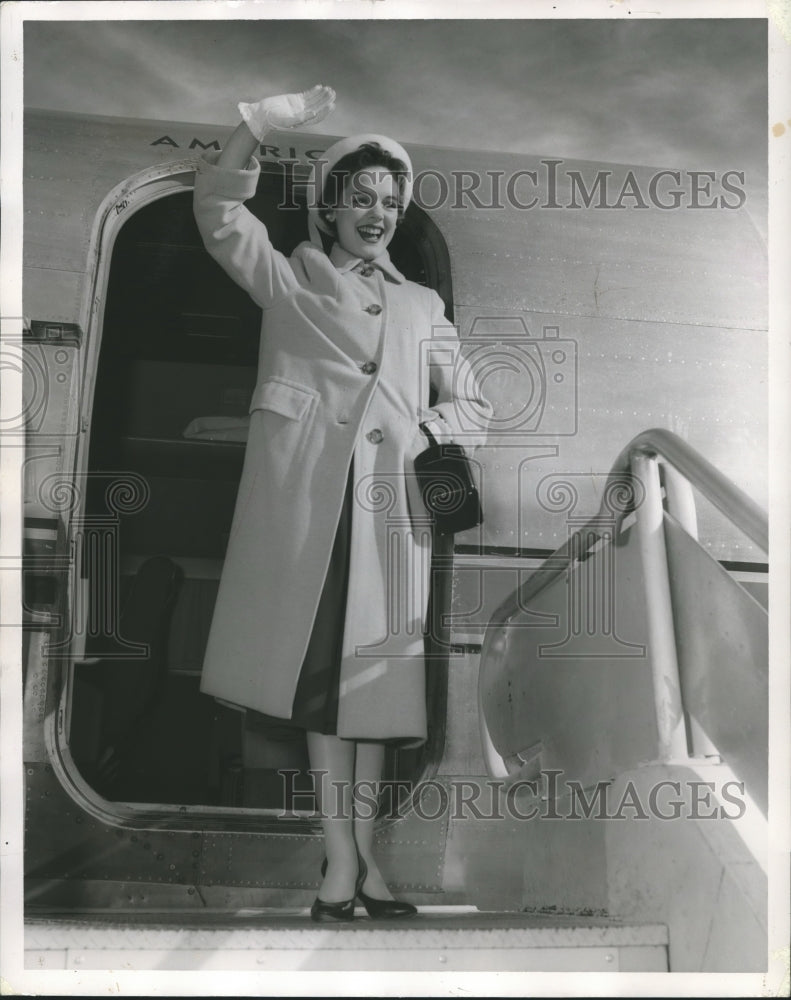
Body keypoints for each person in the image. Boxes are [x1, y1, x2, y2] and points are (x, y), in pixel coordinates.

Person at [192, 85, 491, 921]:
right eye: (360, 199)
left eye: (390, 204)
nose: (376, 214)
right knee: (325, 693)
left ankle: (358, 869)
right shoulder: (290, 280)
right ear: (329, 208)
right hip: (311, 515)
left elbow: (474, 403)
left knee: (371, 699)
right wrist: (253, 126)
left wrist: (418, 428)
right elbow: (217, 213)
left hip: (390, 520)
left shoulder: (422, 306)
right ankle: (341, 862)